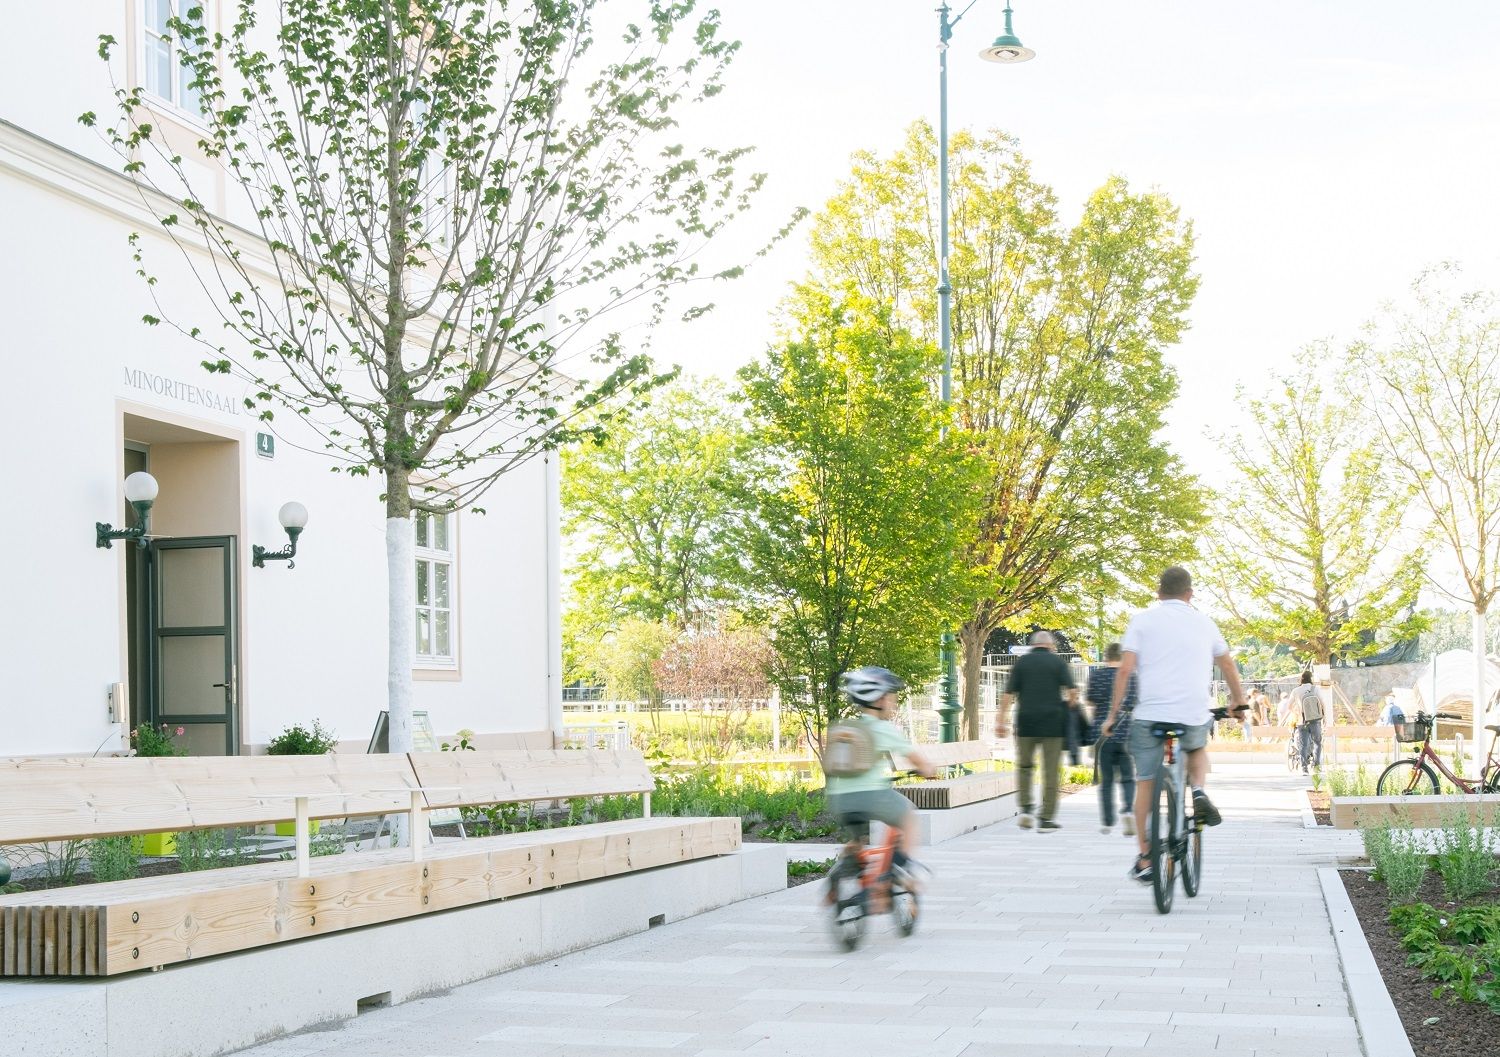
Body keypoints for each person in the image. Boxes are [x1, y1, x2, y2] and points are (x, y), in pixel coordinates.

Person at [1101, 566, 1249, 883]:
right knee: (1196, 746)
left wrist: (1112, 716)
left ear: (1158, 593)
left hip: (1150, 715)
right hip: (1192, 711)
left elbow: (1125, 671)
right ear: (1189, 594)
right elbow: (1227, 664)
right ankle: (1197, 791)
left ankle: (1145, 858)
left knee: (1145, 783)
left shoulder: (1141, 621)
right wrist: (1238, 702)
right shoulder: (1205, 622)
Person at [824, 667, 936, 876]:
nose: (893, 703)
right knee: (909, 816)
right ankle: (897, 868)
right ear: (879, 700)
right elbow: (916, 759)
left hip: (839, 800)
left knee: (857, 840)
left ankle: (839, 878)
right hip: (872, 796)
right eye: (891, 698)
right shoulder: (882, 728)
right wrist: (928, 769)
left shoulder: (847, 728)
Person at [996, 631, 1078, 832]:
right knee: (1050, 772)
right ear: (1050, 646)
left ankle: (1025, 809)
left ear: (1033, 645)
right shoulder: (1058, 663)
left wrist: (1001, 721)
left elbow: (1008, 694)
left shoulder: (1021, 663)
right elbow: (1073, 693)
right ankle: (1046, 818)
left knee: (1025, 767)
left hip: (1026, 723)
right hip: (1053, 724)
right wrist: (1068, 706)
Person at [1086, 643, 1137, 836]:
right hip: (1126, 732)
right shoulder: (1131, 676)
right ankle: (1128, 811)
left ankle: (1107, 821)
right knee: (1128, 778)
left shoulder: (1097, 676)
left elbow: (1091, 702)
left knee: (1106, 780)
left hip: (1103, 734)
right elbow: (1136, 702)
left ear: (1106, 657)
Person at [1287, 670, 1325, 773]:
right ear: (1311, 678)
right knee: (1317, 743)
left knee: (1303, 745)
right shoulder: (1315, 689)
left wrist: (1297, 712)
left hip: (1301, 721)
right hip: (1315, 720)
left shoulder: (1296, 691)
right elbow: (1322, 703)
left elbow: (1288, 706)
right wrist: (1323, 717)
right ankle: (1316, 767)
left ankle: (1304, 768)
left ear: (1301, 679)